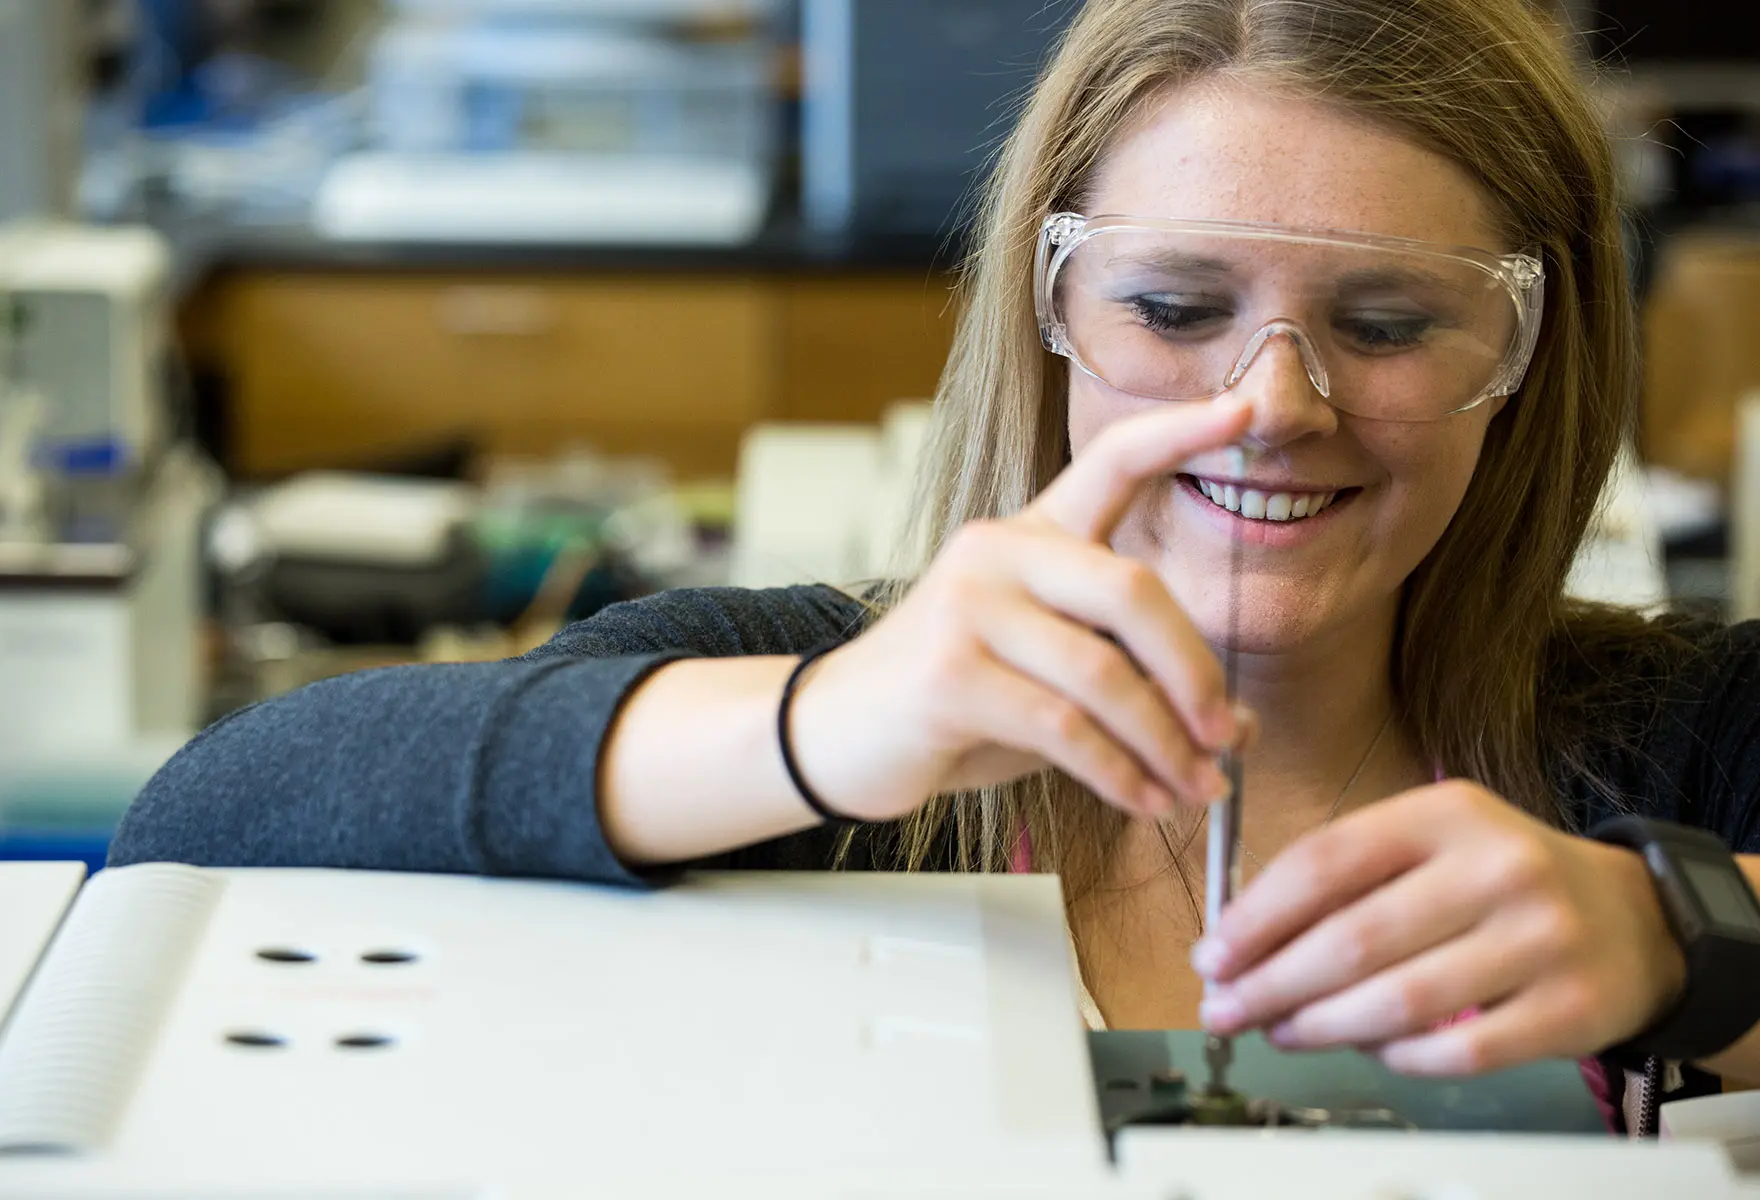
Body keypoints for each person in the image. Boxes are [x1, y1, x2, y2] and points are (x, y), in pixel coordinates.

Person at [113, 0, 1760, 1132]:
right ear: (1046, 326)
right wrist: (818, 728)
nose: (1273, 408)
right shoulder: (827, 732)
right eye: (1174, 311)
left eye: (1388, 325)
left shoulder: (1689, 743)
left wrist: (1675, 942)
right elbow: (201, 826)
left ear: (1533, 350)